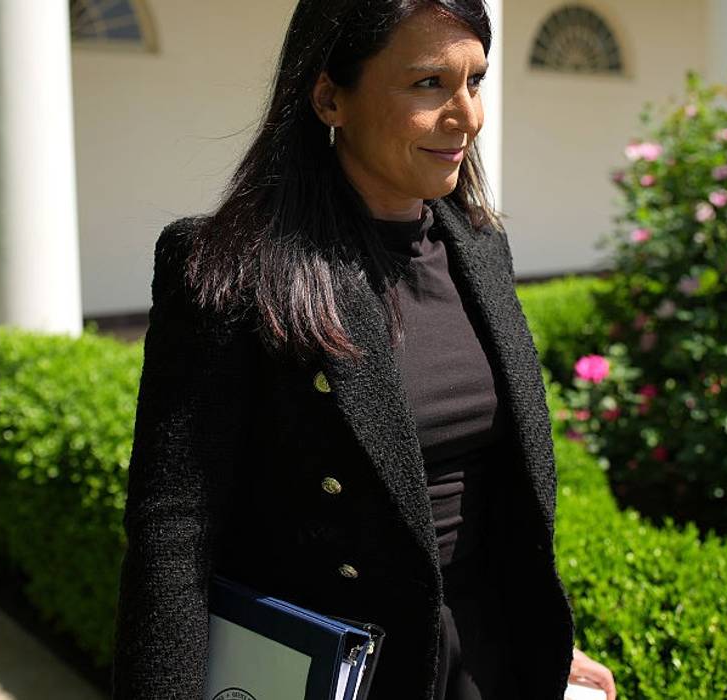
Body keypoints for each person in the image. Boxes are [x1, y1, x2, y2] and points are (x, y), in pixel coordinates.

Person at [109, 1, 617, 698]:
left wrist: (542, 638)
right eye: (427, 84)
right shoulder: (230, 267)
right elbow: (174, 528)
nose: (466, 115)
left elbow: (495, 501)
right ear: (328, 96)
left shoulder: (478, 247)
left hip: (486, 658)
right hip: (344, 670)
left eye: (475, 82)